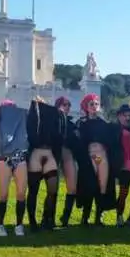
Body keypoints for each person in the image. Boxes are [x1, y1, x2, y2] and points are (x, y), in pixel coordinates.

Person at [75, 94, 119, 226]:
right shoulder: (82, 123)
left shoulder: (103, 123)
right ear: (86, 107)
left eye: (96, 104)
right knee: (90, 185)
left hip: (102, 156)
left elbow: (113, 137)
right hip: (89, 156)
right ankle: (85, 217)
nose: (94, 106)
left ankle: (98, 217)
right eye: (91, 104)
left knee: (102, 185)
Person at [26, 97, 65, 231]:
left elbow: (60, 136)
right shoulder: (32, 114)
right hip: (37, 152)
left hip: (48, 153)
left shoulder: (55, 114)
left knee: (52, 190)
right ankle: (32, 222)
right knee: (33, 191)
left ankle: (46, 218)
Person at [0, 100, 29, 236]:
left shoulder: (23, 113)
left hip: (20, 156)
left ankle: (19, 225)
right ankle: (0, 225)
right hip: (3, 157)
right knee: (3, 194)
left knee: (21, 193)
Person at [55, 97, 80, 227]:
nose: (67, 107)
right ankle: (47, 218)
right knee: (52, 187)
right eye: (65, 104)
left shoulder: (72, 124)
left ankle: (65, 218)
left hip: (68, 154)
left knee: (72, 187)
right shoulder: (52, 121)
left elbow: (77, 142)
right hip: (54, 153)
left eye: (69, 105)